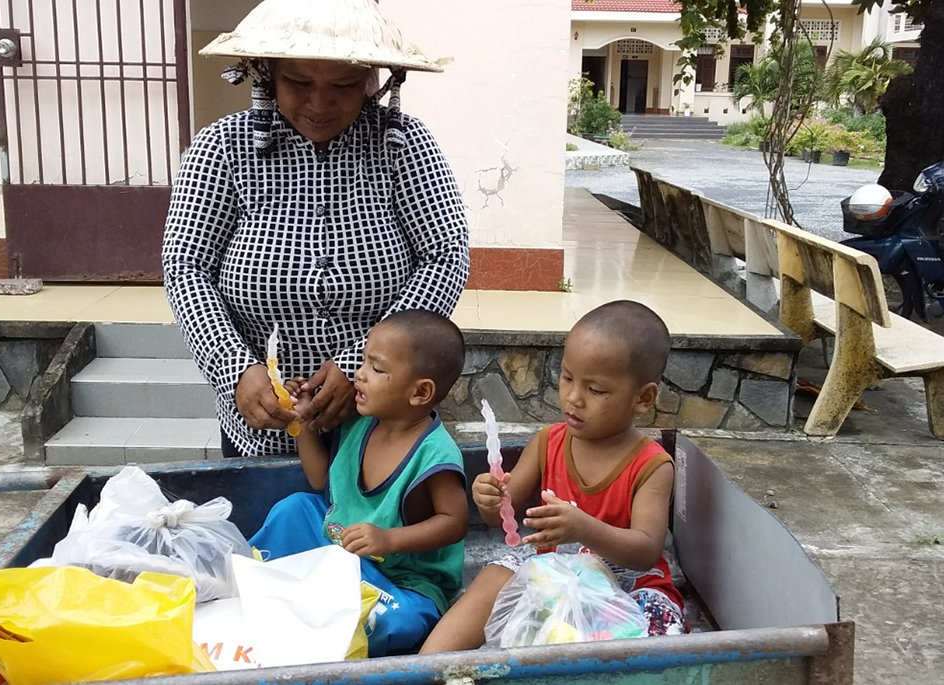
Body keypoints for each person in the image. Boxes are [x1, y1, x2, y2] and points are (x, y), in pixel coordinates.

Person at [162, 0, 470, 458]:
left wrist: (361, 367)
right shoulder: (222, 147)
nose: (320, 103)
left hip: (384, 428)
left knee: (375, 529)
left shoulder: (403, 144)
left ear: (372, 80)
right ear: (267, 73)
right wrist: (234, 369)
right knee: (278, 527)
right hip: (266, 426)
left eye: (343, 85)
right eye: (299, 82)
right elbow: (186, 266)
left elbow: (445, 255)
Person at [420, 300, 686, 653]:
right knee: (497, 574)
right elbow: (504, 517)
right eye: (567, 377)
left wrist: (584, 528)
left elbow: (646, 551)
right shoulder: (549, 441)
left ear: (643, 398)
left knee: (659, 630)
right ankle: (431, 664)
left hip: (625, 584)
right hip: (553, 572)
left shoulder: (651, 465)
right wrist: (489, 497)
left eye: (595, 390)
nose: (573, 397)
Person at [248, 309, 470, 656]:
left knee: (404, 621)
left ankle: (315, 612)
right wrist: (304, 421)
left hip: (401, 581)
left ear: (420, 392)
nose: (359, 374)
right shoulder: (362, 422)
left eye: (376, 368)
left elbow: (454, 522)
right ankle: (261, 583)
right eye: (364, 362)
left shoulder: (434, 454)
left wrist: (389, 539)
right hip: (343, 547)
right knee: (294, 508)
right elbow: (322, 480)